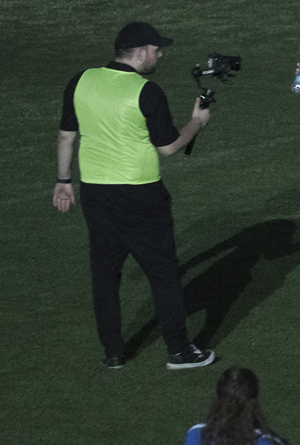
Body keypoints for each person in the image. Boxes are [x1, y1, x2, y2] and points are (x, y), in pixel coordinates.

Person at [53, 21, 214, 370]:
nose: (160, 54)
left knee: (105, 276)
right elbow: (170, 146)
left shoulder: (80, 80)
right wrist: (197, 122)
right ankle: (179, 352)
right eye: (156, 49)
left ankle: (113, 353)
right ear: (140, 53)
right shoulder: (147, 91)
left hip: (95, 194)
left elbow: (67, 135)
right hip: (141, 196)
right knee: (163, 274)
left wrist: (63, 180)